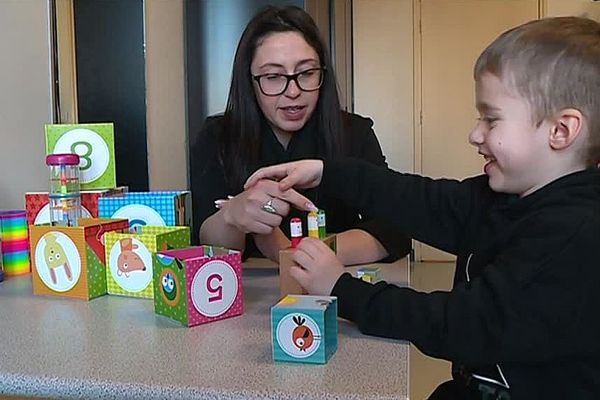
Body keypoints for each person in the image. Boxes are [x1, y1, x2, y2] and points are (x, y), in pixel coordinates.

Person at [245, 16, 600, 399]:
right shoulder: (505, 197)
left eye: (491, 119)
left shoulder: (573, 233)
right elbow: (419, 199)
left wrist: (341, 289)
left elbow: (460, 324)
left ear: (560, 131)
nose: (475, 134)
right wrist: (326, 172)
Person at [190, 6, 411, 264]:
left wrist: (291, 252)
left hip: (337, 287)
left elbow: (396, 228)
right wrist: (232, 218)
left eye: (306, 73)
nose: (293, 91)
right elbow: (206, 241)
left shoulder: (354, 132)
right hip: (249, 295)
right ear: (249, 80)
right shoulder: (217, 136)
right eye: (273, 76)